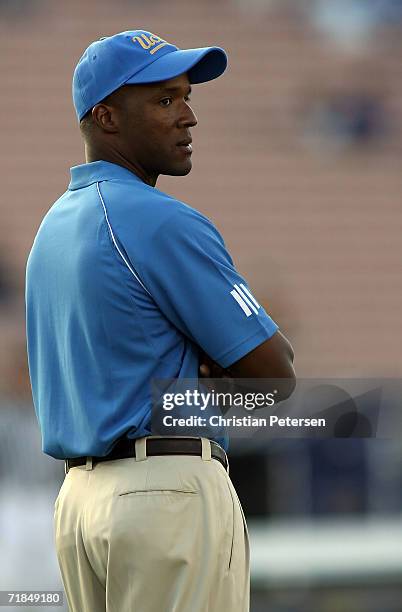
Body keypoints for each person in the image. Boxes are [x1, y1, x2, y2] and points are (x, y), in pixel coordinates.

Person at [25, 30, 295, 612]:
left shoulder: (50, 230)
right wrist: (215, 390)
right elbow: (276, 378)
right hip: (166, 491)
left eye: (186, 97)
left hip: (78, 502)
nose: (189, 117)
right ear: (107, 117)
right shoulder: (158, 219)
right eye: (165, 100)